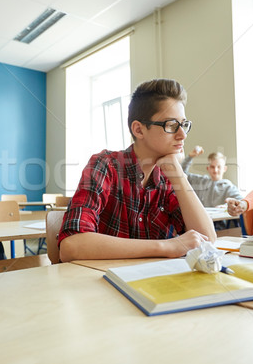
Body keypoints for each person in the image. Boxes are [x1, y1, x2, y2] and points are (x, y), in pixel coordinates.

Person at [58, 78, 216, 262]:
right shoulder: (106, 165)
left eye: (184, 125)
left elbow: (207, 241)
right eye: (172, 125)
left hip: (151, 283)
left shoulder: (168, 177)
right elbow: (71, 246)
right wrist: (167, 246)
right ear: (139, 130)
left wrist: (178, 174)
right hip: (100, 282)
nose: (182, 135)